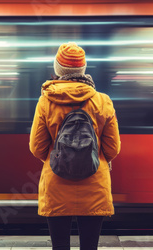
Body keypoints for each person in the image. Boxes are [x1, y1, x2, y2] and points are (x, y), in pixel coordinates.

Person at [29, 42, 121, 250]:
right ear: (83, 69)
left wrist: (60, 156)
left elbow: (37, 147)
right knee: (90, 247)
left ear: (58, 69)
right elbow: (113, 148)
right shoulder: (103, 101)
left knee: (60, 246)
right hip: (94, 183)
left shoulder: (45, 101)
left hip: (56, 181)